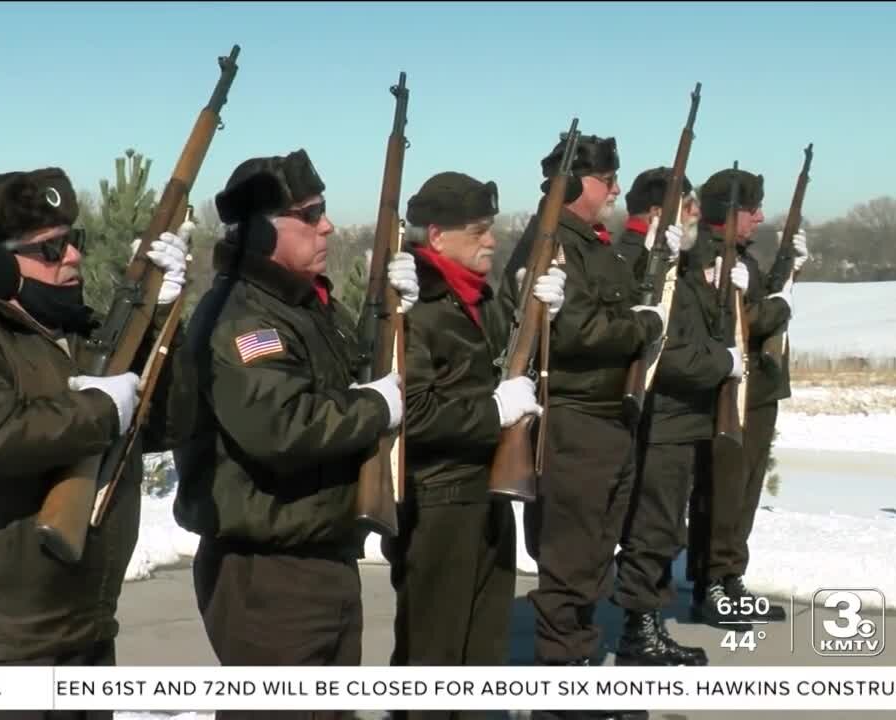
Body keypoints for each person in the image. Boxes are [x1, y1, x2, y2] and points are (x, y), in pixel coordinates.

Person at [0, 167, 196, 720]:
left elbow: (167, 423)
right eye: (50, 249)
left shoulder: (67, 339)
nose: (72, 256)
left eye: (75, 240)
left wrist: (161, 322)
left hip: (76, 639)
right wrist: (99, 409)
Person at [172, 149, 412, 689]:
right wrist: (377, 407)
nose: (326, 225)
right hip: (267, 573)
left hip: (318, 555)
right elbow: (282, 424)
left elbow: (351, 376)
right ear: (260, 232)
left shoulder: (301, 304)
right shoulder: (243, 316)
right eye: (310, 213)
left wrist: (402, 320)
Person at [502, 132, 670, 720]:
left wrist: (652, 253)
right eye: (605, 180)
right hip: (572, 424)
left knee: (595, 554)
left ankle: (577, 668)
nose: (615, 190)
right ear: (574, 185)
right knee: (570, 559)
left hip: (607, 422)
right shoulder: (550, 246)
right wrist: (642, 328)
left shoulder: (590, 244)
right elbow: (573, 333)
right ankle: (562, 683)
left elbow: (608, 295)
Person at [382, 172, 565, 707]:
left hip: (484, 492)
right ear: (437, 236)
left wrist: (545, 319)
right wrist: (492, 411)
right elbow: (412, 412)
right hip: (437, 501)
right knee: (432, 661)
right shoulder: (415, 306)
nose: (491, 239)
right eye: (479, 230)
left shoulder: (477, 298)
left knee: (483, 656)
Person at [687, 167, 808, 627]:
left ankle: (731, 575)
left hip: (758, 391)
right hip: (728, 393)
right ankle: (712, 582)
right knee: (724, 490)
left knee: (747, 489)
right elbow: (745, 320)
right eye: (751, 209)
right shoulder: (709, 257)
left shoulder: (740, 258)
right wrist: (783, 304)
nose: (759, 218)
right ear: (729, 212)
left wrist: (789, 271)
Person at [609, 167, 714, 666]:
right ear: (659, 211)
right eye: (688, 204)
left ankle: (646, 621)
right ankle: (638, 630)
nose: (696, 214)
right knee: (652, 528)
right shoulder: (637, 261)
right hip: (661, 419)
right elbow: (661, 350)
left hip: (680, 418)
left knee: (664, 526)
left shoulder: (675, 261)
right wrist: (721, 365)